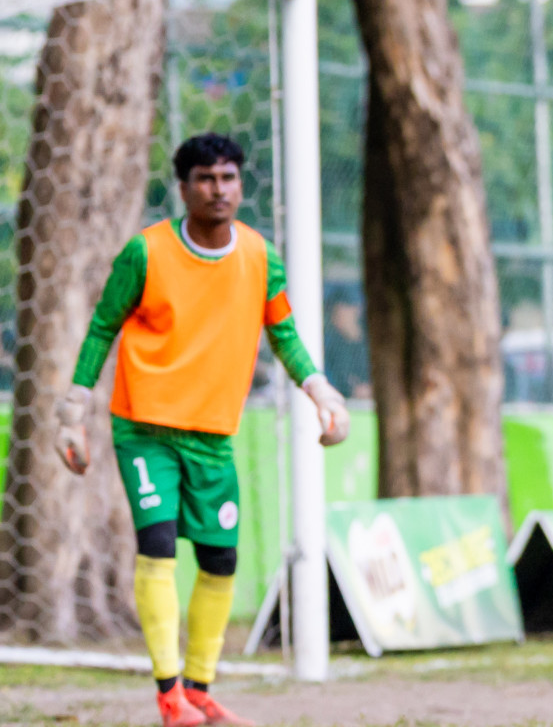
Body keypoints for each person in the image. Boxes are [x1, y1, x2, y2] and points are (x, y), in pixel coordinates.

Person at [53, 133, 350, 727]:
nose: (220, 190)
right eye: (207, 179)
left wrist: (320, 391)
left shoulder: (260, 256)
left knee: (220, 560)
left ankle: (200, 689)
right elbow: (101, 328)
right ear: (184, 187)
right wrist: (73, 412)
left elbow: (283, 333)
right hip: (145, 427)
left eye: (230, 178)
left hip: (213, 435)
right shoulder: (146, 252)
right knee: (158, 546)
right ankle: (169, 697)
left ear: (241, 185)